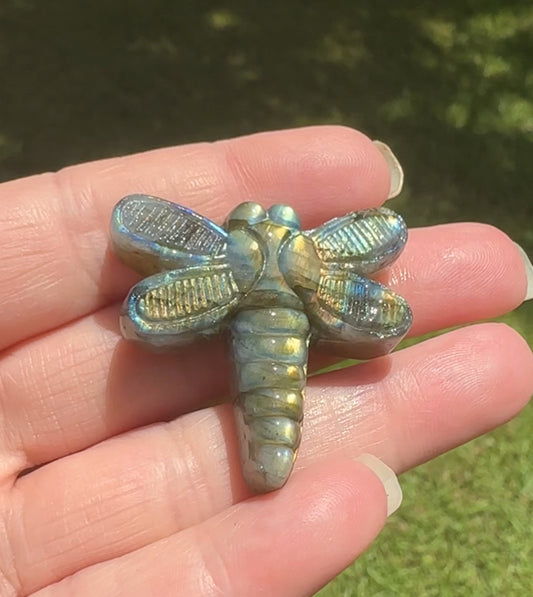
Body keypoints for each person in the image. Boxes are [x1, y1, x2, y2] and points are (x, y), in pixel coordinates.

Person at [0, 126, 531, 596]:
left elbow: (142, 274)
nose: (272, 222)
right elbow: (386, 240)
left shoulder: (228, 253)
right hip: (288, 355)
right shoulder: (314, 252)